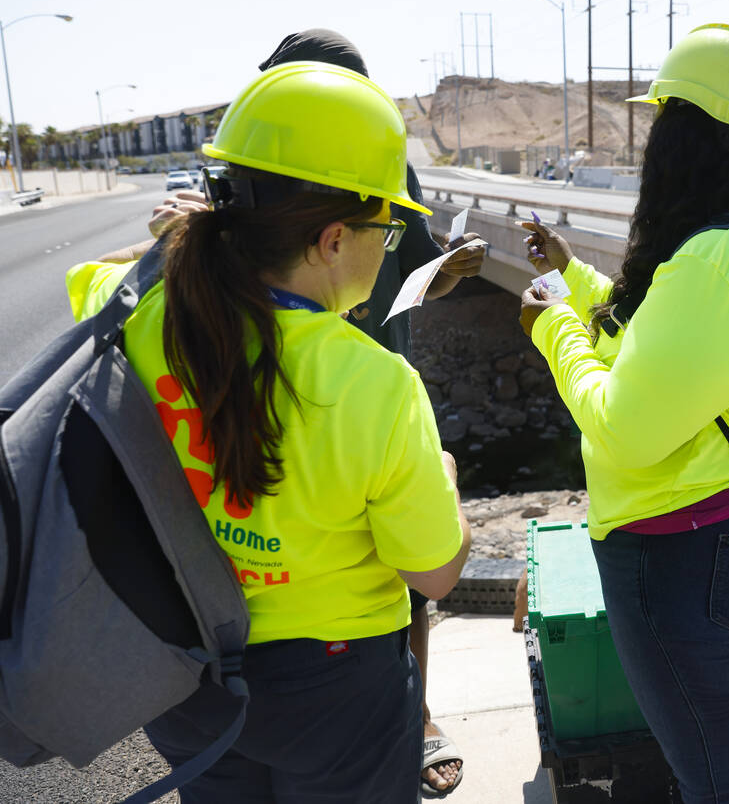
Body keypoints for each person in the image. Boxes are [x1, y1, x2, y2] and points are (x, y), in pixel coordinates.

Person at [65, 61, 471, 803]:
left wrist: (177, 243)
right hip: (337, 691)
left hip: (188, 678)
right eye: (386, 226)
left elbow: (88, 277)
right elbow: (435, 573)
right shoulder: (375, 382)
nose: (390, 245)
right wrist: (442, 477)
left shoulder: (143, 319)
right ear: (332, 239)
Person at [515, 23, 729, 804]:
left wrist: (552, 326)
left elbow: (624, 420)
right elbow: (669, 343)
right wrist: (577, 278)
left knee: (717, 779)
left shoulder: (716, 264)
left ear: (685, 136)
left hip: (689, 559)